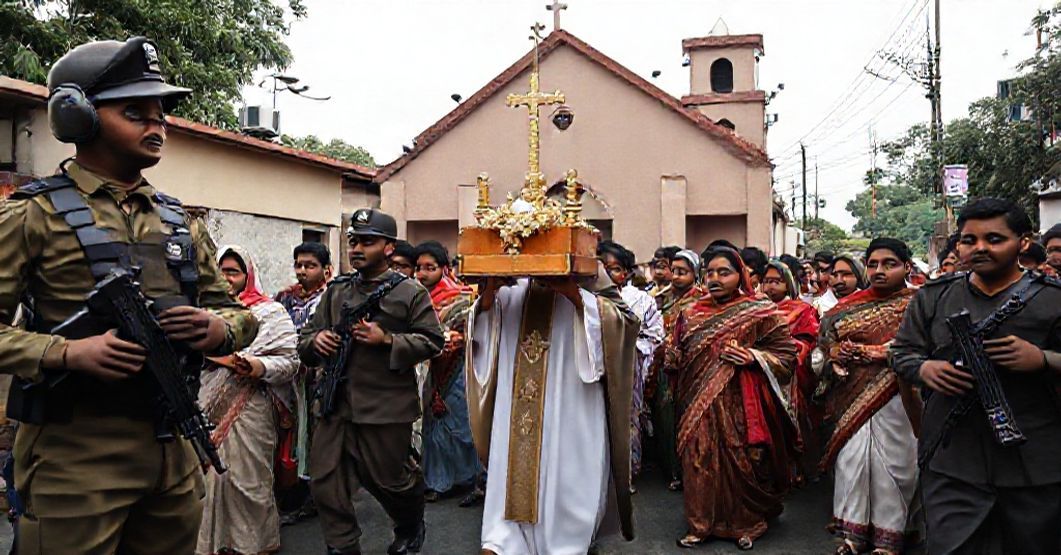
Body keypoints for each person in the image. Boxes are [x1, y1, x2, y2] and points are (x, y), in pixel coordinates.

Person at [0, 37, 258, 553]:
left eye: (161, 113)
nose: (156, 125)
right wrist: (66, 352)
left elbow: (233, 310)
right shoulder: (31, 215)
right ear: (77, 118)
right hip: (76, 457)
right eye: (135, 111)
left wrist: (219, 329)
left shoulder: (178, 219)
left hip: (173, 449)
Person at [892, 198, 1061, 555]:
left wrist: (1043, 359)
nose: (979, 248)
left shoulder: (1052, 300)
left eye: (994, 239)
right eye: (969, 240)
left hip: (1036, 461)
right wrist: (924, 369)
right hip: (953, 459)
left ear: (1024, 242)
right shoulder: (934, 298)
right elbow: (902, 353)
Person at [298, 208, 445, 555]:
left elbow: (432, 341)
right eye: (353, 241)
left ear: (389, 248)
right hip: (336, 403)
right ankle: (342, 545)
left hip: (385, 405)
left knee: (390, 480)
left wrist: (388, 340)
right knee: (325, 482)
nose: (357, 249)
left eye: (367, 241)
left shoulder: (410, 293)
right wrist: (316, 342)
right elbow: (305, 337)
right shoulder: (336, 292)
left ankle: (410, 523)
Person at [466, 264, 639, 555]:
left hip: (570, 394)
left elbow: (624, 324)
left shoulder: (587, 265)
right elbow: (482, 326)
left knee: (565, 465)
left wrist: (573, 293)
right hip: (515, 395)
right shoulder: (507, 264)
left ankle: (566, 540)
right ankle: (504, 539)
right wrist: (488, 297)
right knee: (513, 464)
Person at [666, 246, 798, 550]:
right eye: (709, 272)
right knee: (697, 458)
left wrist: (753, 355)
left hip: (741, 400)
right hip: (696, 401)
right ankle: (699, 525)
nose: (714, 278)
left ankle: (745, 523)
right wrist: (672, 359)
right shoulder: (690, 312)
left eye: (723, 272)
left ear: (741, 275)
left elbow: (787, 356)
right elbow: (677, 354)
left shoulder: (760, 310)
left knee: (741, 459)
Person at [815, 239, 920, 555]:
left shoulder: (920, 303)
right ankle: (852, 536)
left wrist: (877, 352)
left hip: (900, 397)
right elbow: (821, 351)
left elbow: (927, 346)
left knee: (895, 465)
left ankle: (890, 539)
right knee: (852, 463)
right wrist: (836, 355)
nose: (879, 270)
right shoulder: (843, 309)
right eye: (873, 264)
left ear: (907, 267)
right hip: (851, 396)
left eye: (889, 264)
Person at [197, 246, 300, 555]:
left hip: (253, 405)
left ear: (248, 276)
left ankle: (251, 545)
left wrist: (257, 366)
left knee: (247, 480)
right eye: (222, 271)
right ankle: (209, 545)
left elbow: (290, 361)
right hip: (206, 402)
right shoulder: (201, 311)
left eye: (234, 272)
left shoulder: (270, 313)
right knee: (205, 480)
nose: (227, 278)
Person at [413, 241, 483, 506]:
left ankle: (470, 480)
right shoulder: (414, 297)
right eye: (419, 268)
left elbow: (475, 331)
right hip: (428, 369)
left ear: (444, 269)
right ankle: (439, 482)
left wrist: (459, 339)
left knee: (460, 424)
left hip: (457, 368)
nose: (422, 274)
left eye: (430, 268)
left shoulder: (461, 297)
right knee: (434, 427)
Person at [274, 241, 333, 525]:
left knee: (316, 437)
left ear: (325, 269)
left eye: (310, 266)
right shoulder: (284, 298)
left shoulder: (332, 298)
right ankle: (292, 492)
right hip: (288, 377)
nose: (302, 271)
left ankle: (317, 497)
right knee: (289, 436)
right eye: (298, 265)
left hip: (319, 379)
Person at [599, 241, 665, 486]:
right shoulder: (587, 297)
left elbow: (656, 334)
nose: (608, 273)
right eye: (603, 267)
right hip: (595, 367)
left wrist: (632, 349)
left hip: (628, 367)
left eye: (614, 268)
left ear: (625, 272)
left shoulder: (640, 300)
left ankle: (626, 474)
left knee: (626, 419)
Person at [648, 249, 704, 491]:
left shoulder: (701, 300)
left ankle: (689, 470)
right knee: (665, 418)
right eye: (675, 271)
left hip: (689, 368)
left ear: (695, 274)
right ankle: (671, 469)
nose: (677, 277)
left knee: (687, 419)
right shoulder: (662, 297)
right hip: (664, 366)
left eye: (684, 272)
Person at [762, 257, 821, 480]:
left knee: (790, 421)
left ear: (788, 283)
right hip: (760, 372)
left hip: (790, 376)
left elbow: (808, 340)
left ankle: (795, 471)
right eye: (766, 281)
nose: (770, 286)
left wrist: (782, 353)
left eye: (777, 281)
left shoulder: (802, 310)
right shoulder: (755, 309)